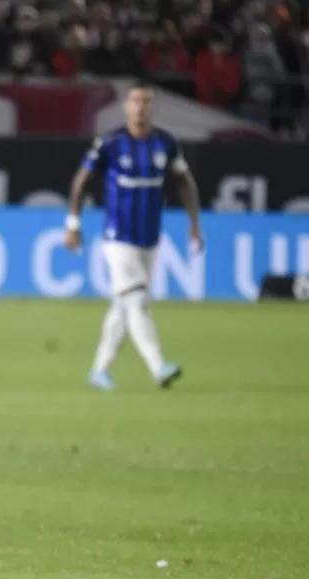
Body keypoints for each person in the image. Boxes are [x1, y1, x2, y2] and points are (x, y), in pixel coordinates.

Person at [65, 80, 204, 390]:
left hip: (150, 238)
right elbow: (81, 180)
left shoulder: (166, 143)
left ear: (153, 107)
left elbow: (184, 182)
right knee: (137, 301)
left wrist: (194, 223)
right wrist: (73, 223)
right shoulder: (110, 143)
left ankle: (99, 371)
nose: (141, 106)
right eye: (136, 101)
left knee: (123, 306)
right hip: (118, 238)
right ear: (126, 106)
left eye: (146, 101)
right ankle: (159, 369)